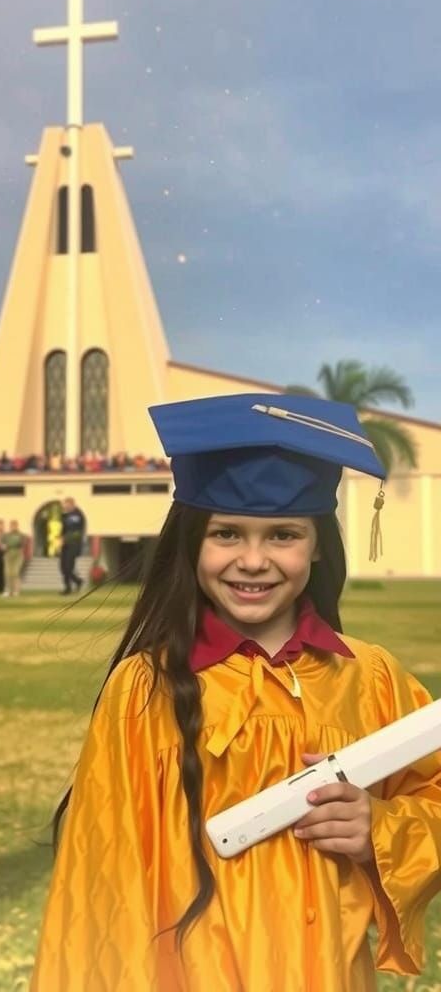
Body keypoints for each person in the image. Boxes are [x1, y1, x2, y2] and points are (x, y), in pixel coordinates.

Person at [30, 393, 441, 992]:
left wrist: (380, 827)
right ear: (191, 542)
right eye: (226, 533)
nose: (252, 561)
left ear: (318, 545)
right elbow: (104, 889)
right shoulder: (144, 690)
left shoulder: (369, 678)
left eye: (283, 535)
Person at [59, 497, 86, 595]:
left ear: (72, 504)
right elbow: (64, 530)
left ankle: (70, 587)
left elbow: (76, 532)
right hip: (65, 545)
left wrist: (65, 539)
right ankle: (75, 583)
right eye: (64, 505)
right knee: (63, 567)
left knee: (68, 567)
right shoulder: (65, 515)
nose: (65, 506)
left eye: (66, 505)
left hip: (74, 545)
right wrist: (61, 539)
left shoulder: (77, 515)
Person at [1, 519, 26, 597]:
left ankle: (16, 590)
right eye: (12, 526)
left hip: (18, 554)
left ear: (17, 526)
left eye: (14, 525)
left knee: (15, 572)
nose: (13, 527)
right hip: (8, 554)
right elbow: (2, 544)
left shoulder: (21, 535)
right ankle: (7, 590)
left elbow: (21, 544)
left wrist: (9, 544)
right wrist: (3, 546)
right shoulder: (6, 535)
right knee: (7, 572)